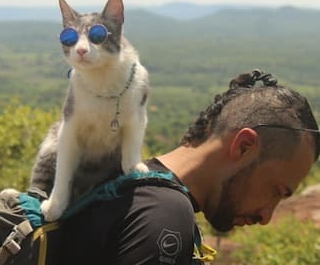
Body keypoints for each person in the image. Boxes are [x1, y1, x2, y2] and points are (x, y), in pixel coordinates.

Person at [49, 69, 320, 264]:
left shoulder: (125, 187)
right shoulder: (164, 217)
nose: (266, 216)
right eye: (275, 190)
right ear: (244, 146)